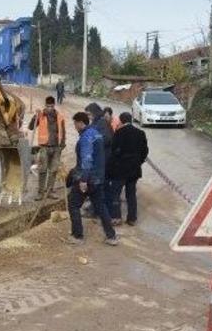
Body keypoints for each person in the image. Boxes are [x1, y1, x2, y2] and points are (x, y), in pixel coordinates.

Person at [67, 112, 118, 246]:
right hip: (98, 178)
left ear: (79, 123)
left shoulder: (86, 137)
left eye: (75, 124)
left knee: (73, 204)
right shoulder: (96, 134)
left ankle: (77, 236)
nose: (74, 127)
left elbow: (87, 160)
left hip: (87, 179)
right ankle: (111, 236)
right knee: (101, 207)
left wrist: (83, 180)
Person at [108, 112, 149, 226]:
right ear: (130, 120)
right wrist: (138, 162)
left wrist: (110, 168)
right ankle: (132, 218)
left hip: (120, 170)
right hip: (134, 170)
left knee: (115, 193)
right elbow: (145, 152)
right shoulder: (140, 133)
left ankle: (116, 217)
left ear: (121, 121)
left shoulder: (119, 133)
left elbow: (113, 151)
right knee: (131, 194)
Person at [28, 96, 66, 200]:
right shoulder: (40, 116)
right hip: (44, 147)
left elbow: (63, 131)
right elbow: (31, 127)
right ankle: (40, 193)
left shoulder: (59, 116)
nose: (49, 108)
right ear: (45, 105)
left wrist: (62, 146)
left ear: (54, 105)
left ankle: (49, 191)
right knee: (42, 170)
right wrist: (35, 117)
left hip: (56, 147)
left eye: (51, 106)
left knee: (53, 171)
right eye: (48, 106)